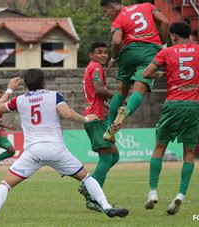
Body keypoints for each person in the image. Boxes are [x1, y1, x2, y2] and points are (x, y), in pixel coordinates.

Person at [0, 69, 129, 224]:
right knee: (86, 177)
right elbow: (68, 114)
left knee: (5, 184)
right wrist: (86, 119)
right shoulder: (54, 95)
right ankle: (107, 206)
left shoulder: (19, 100)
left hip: (33, 151)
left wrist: (9, 89)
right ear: (43, 82)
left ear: (27, 84)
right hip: (56, 150)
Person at [142, 22, 199, 215]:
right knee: (189, 152)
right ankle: (181, 194)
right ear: (188, 35)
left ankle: (152, 192)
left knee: (159, 147)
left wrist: (162, 72)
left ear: (173, 36)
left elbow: (146, 73)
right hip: (193, 106)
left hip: (173, 103)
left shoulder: (167, 52)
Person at [100, 0, 169, 143]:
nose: (106, 15)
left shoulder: (118, 20)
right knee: (138, 91)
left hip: (128, 53)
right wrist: (163, 45)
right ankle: (126, 111)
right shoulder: (147, 6)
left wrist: (114, 58)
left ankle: (108, 130)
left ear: (113, 6)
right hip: (150, 52)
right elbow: (165, 22)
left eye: (106, 12)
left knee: (121, 93)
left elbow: (116, 42)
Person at [78, 41, 120, 212]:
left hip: (100, 115)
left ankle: (88, 187)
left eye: (105, 52)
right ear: (91, 55)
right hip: (97, 117)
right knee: (106, 158)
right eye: (99, 52)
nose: (103, 55)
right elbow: (98, 89)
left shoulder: (92, 67)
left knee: (114, 156)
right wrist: (118, 98)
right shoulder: (95, 67)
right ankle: (94, 198)